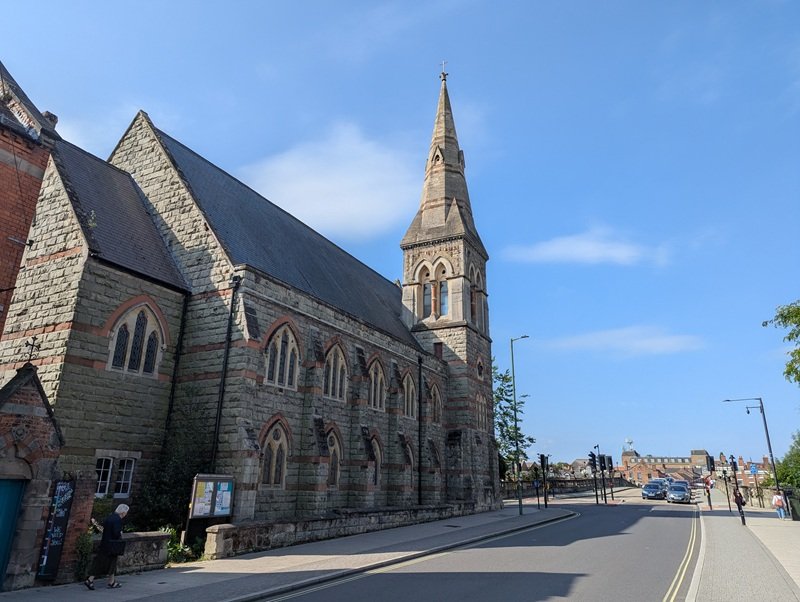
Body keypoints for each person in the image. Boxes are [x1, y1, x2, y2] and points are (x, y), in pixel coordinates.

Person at [84, 504, 129, 590]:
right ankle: (90, 580)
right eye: (126, 512)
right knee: (107, 563)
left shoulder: (110, 517)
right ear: (123, 512)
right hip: (112, 545)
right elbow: (116, 533)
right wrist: (120, 533)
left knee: (104, 562)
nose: (126, 514)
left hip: (105, 544)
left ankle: (111, 582)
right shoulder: (117, 520)